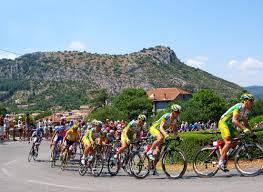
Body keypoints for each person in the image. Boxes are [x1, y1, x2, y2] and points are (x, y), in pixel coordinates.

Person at [218, 93, 255, 171]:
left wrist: (252, 133)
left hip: (230, 125)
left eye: (253, 101)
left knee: (238, 141)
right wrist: (244, 129)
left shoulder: (246, 111)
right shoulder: (238, 107)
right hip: (223, 122)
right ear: (245, 101)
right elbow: (234, 120)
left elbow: (246, 123)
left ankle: (226, 155)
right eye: (251, 101)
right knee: (228, 142)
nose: (252, 102)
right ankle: (220, 162)